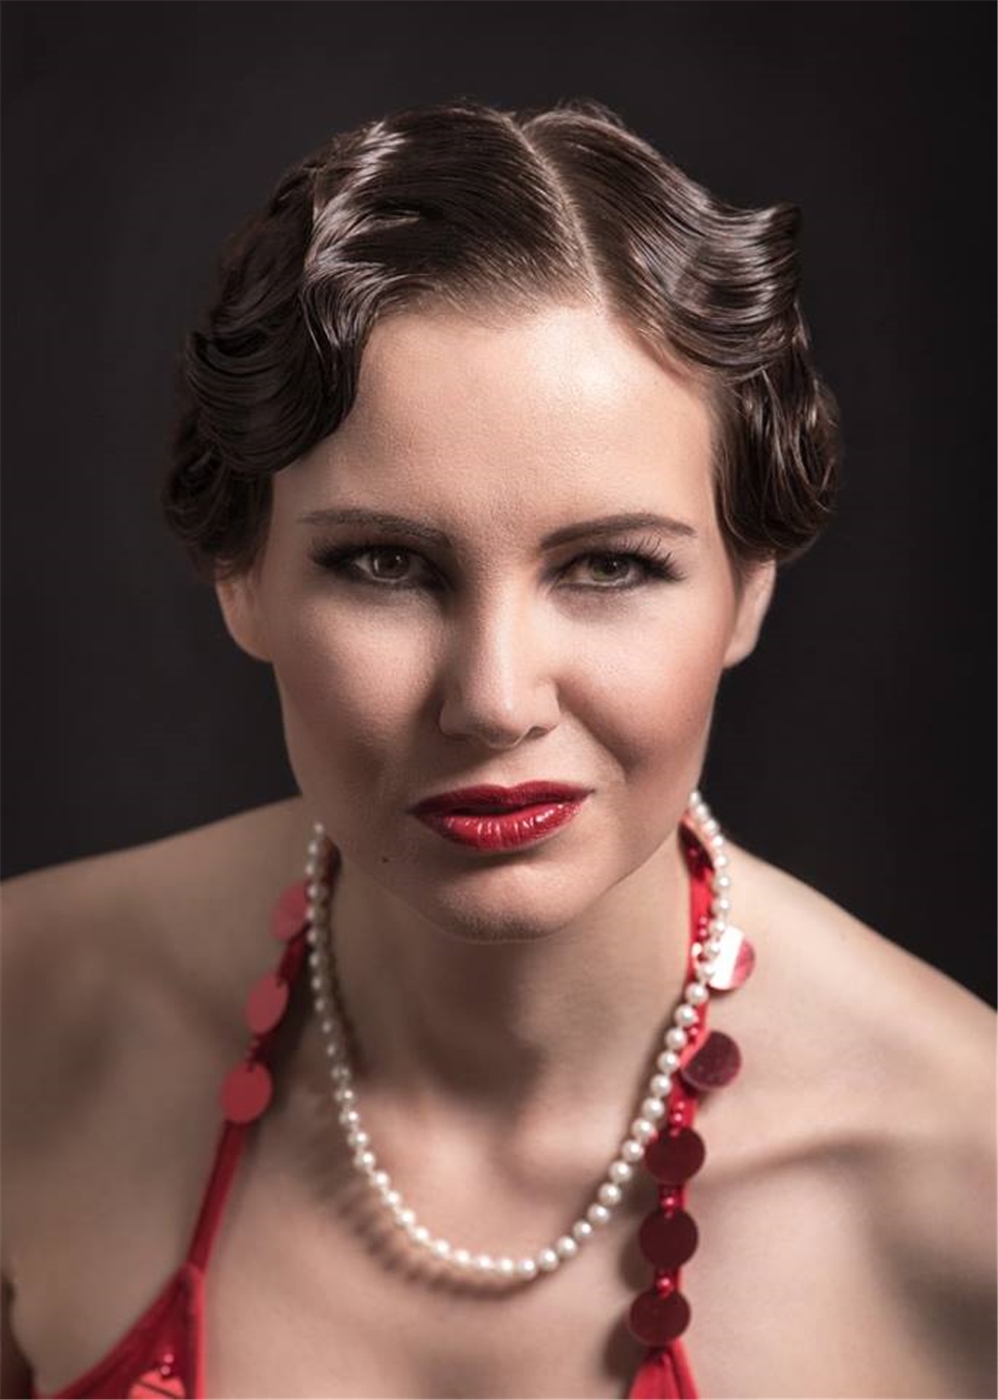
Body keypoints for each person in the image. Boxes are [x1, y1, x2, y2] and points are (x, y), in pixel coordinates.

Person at [2, 97, 994, 1400]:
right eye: (384, 563)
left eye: (609, 565)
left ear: (748, 589)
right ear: (241, 575)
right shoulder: (27, 1022)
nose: (493, 697)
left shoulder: (963, 1185)